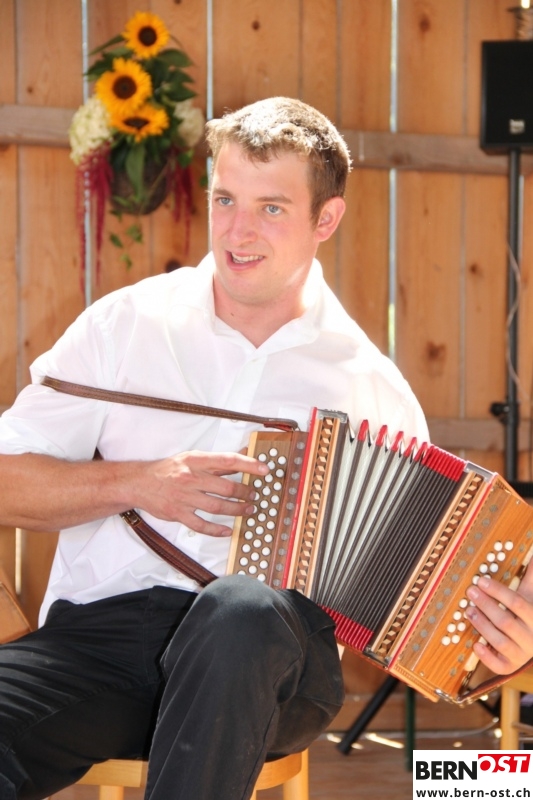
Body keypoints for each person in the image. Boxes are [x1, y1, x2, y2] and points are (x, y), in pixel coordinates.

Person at [0, 97, 532, 800]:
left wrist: (505, 647)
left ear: (325, 220)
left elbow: (431, 612)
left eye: (271, 208)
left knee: (240, 608)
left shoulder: (368, 386)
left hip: (272, 658)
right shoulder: (123, 326)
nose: (238, 231)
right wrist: (137, 483)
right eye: (225, 199)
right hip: (105, 644)